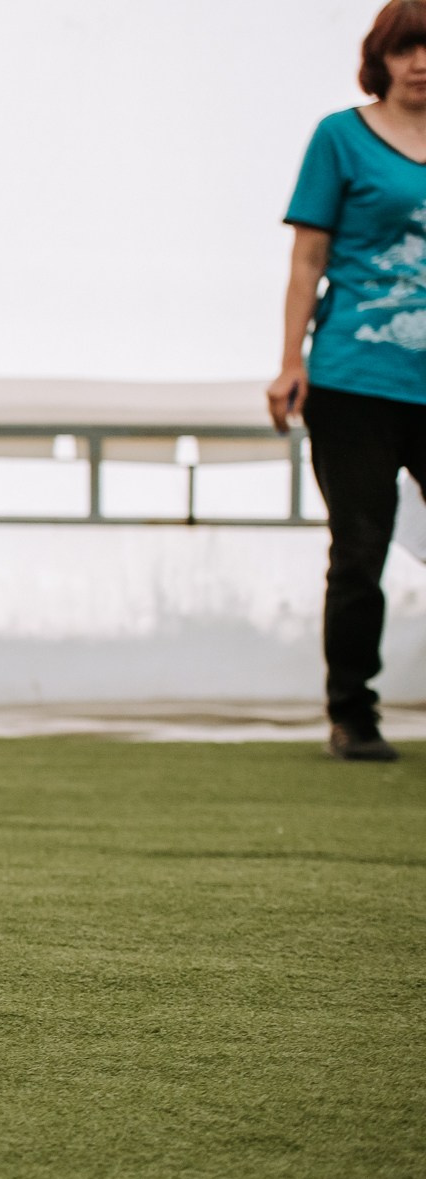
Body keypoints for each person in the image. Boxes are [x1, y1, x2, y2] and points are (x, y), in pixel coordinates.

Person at [269, 0, 426, 762]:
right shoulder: (341, 137)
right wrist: (290, 360)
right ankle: (352, 713)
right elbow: (307, 259)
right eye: (407, 48)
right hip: (355, 376)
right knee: (362, 546)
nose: (422, 63)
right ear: (382, 57)